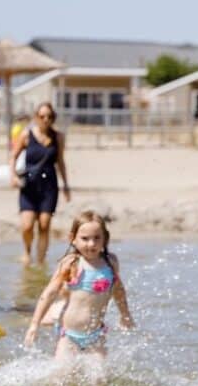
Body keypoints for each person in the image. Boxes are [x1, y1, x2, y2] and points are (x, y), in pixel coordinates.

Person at [25, 210, 134, 359]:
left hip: (96, 335)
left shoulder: (111, 263)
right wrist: (34, 324)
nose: (91, 244)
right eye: (85, 238)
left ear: (105, 239)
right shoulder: (70, 263)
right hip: (68, 335)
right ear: (73, 238)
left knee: (99, 379)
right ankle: (51, 315)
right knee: (60, 377)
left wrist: (125, 315)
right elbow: (49, 293)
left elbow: (118, 290)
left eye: (97, 238)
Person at [10, 102, 71, 265]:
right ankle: (27, 251)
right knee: (27, 226)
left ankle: (41, 259)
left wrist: (66, 185)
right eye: (42, 116)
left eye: (49, 116)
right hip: (29, 186)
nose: (46, 119)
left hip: (49, 186)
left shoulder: (58, 137)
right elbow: (13, 156)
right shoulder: (26, 135)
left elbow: (60, 162)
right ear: (36, 118)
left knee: (44, 224)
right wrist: (13, 176)